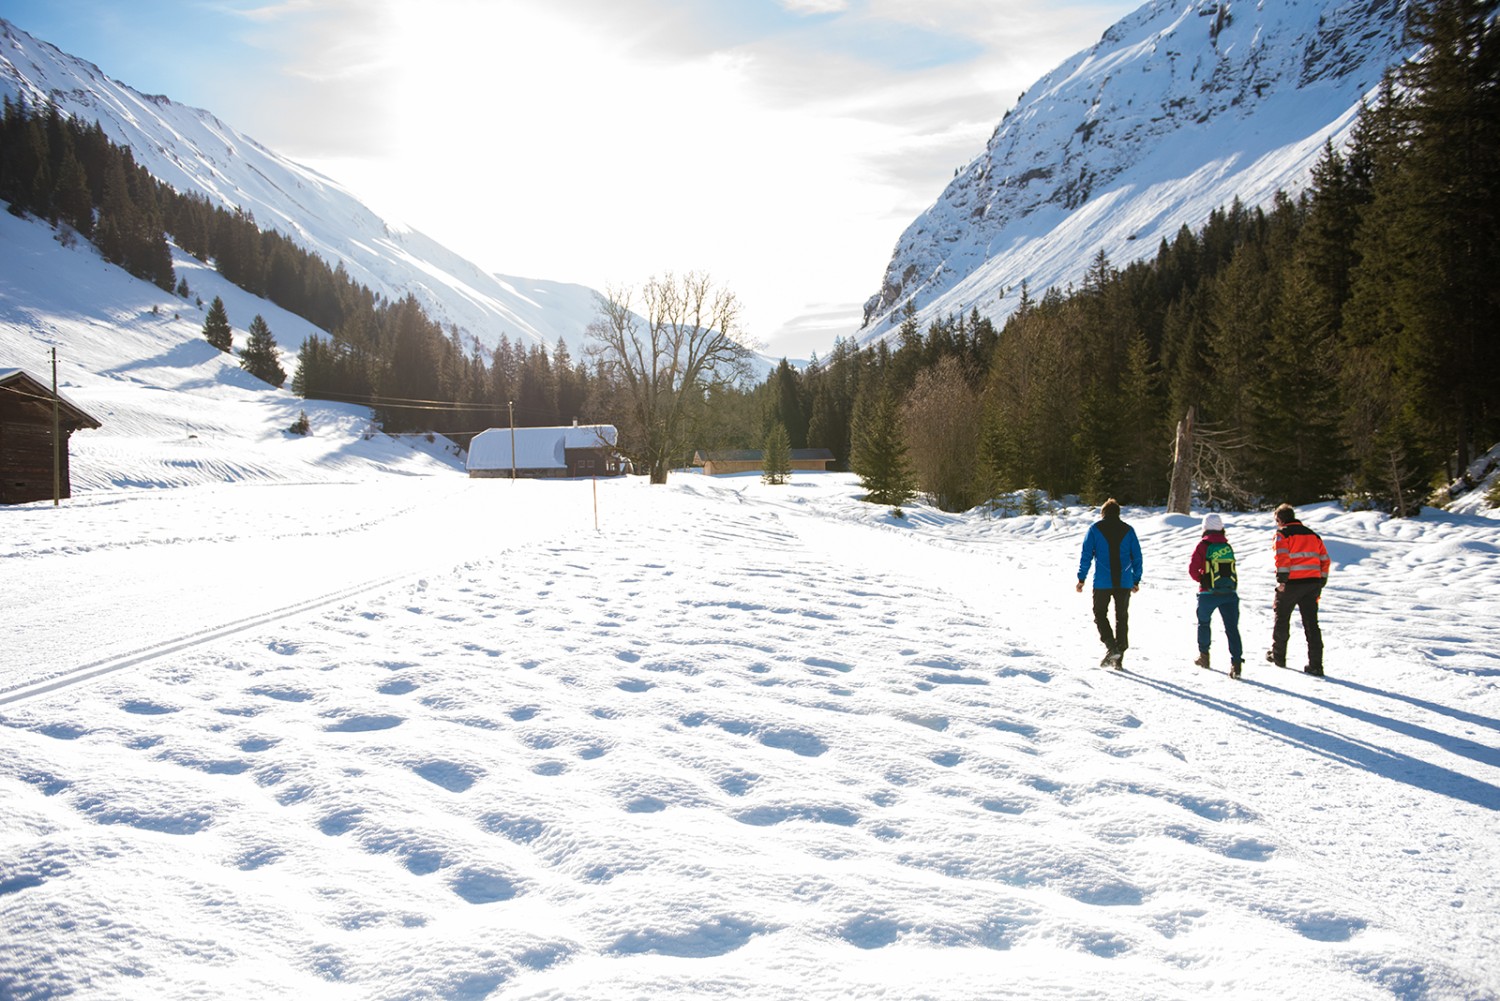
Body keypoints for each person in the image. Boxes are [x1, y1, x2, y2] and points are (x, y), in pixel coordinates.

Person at [1076, 498, 1143, 668]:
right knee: (1121, 617)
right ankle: (1119, 656)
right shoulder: (1128, 530)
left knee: (1099, 613)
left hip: (1102, 582)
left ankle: (1111, 646)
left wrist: (1081, 578)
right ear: (1118, 513)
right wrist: (1136, 579)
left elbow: (1086, 555)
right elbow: (1137, 556)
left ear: (1103, 513)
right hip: (1124, 582)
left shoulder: (1095, 529)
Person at [1266, 503, 1331, 676]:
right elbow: (1325, 559)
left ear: (1280, 520)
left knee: (1281, 618)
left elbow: (1282, 558)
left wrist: (1282, 581)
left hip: (1292, 584)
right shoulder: (1313, 535)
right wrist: (1321, 579)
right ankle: (1316, 664)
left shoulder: (1282, 534)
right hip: (1312, 583)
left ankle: (1278, 656)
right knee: (1311, 624)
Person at [1189, 513, 1244, 678]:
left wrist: (1203, 580)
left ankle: (1204, 656)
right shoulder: (1227, 546)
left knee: (1204, 623)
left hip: (1208, 594)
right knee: (1232, 628)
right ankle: (1236, 664)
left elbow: (1192, 570)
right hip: (1229, 593)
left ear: (1204, 528)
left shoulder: (1202, 545)